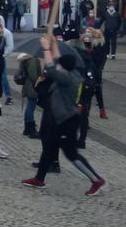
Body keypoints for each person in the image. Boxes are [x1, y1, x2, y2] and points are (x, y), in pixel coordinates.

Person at [21, 38, 106, 196]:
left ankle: (96, 180)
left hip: (66, 121)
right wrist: (53, 45)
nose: (58, 64)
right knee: (48, 148)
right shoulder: (70, 71)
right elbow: (58, 61)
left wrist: (46, 49)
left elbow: (52, 68)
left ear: (63, 68)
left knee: (71, 153)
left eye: (60, 64)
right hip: (57, 119)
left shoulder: (68, 79)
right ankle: (39, 179)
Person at [15, 52, 42, 138]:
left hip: (27, 86)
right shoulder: (33, 61)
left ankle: (27, 128)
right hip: (32, 87)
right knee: (31, 107)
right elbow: (34, 76)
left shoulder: (26, 61)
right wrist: (39, 79)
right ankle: (31, 130)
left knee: (29, 107)